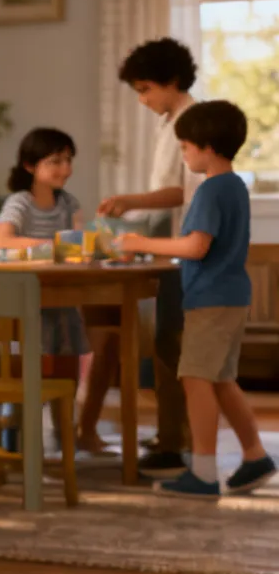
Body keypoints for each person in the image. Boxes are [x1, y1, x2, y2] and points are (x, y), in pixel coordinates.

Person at [116, 100, 276, 496]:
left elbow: (196, 246)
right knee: (221, 380)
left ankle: (203, 472)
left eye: (185, 147)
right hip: (231, 296)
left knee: (194, 377)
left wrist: (141, 242)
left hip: (212, 298)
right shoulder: (235, 186)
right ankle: (255, 455)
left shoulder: (210, 190)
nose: (183, 154)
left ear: (206, 146)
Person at [98, 37, 203, 477]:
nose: (142, 100)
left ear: (171, 81)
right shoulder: (173, 121)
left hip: (188, 249)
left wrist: (129, 201)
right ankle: (171, 436)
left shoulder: (190, 122)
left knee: (177, 347)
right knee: (168, 344)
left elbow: (179, 190)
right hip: (176, 248)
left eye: (146, 89)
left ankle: (184, 441)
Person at [0, 127, 123, 454]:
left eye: (68, 160)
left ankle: (67, 441)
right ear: (29, 166)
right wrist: (57, 246)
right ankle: (21, 443)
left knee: (66, 374)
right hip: (27, 305)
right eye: (55, 161)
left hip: (64, 302)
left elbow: (79, 246)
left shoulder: (68, 203)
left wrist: (97, 247)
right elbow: (3, 242)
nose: (65, 168)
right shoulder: (19, 203)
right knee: (28, 376)